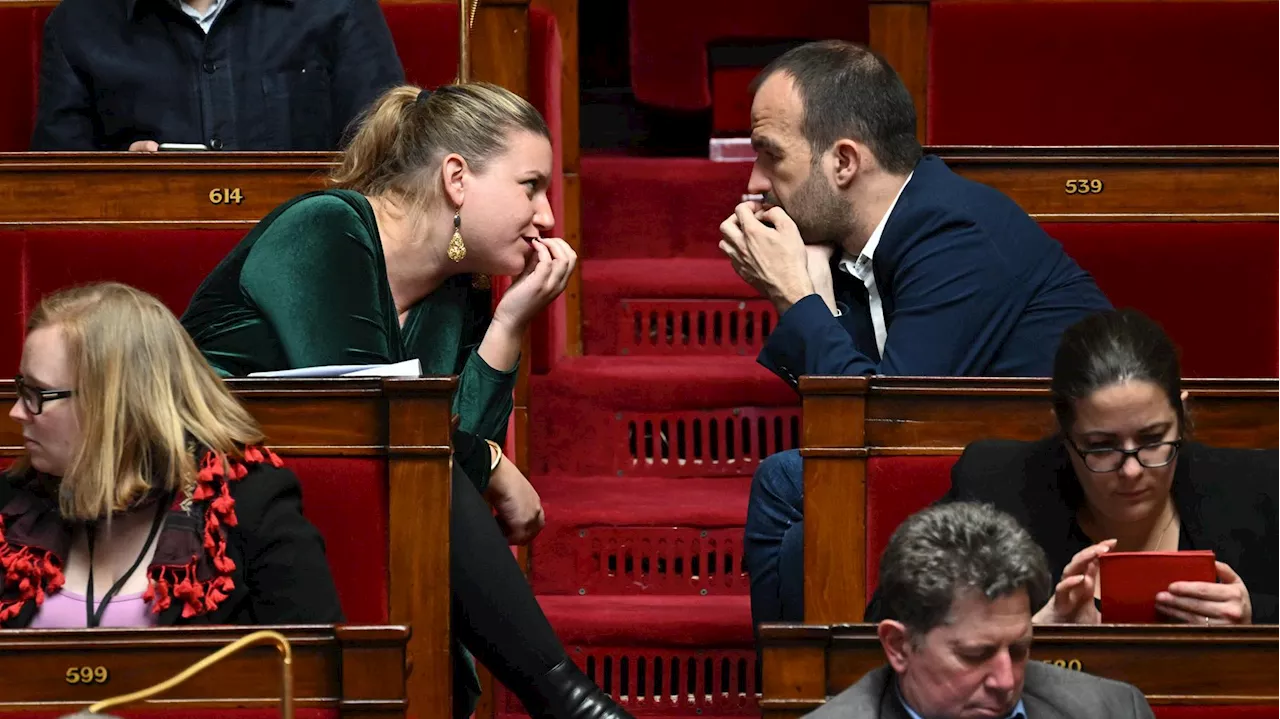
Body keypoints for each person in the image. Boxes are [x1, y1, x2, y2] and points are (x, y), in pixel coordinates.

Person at [181, 84, 627, 719]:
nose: (548, 216)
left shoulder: (453, 295)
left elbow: (441, 486)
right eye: (530, 186)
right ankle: (572, 704)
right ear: (456, 178)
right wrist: (496, 464)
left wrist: (506, 327)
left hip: (324, 517)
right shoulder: (326, 227)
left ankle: (570, 703)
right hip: (198, 500)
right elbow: (370, 427)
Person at [733, 40, 1111, 626]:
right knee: (789, 494)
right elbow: (858, 413)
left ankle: (806, 692)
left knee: (786, 484)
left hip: (1058, 485)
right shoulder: (862, 241)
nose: (755, 182)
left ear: (843, 162)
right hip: (963, 459)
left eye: (771, 156)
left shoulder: (953, 232)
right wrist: (821, 300)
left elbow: (886, 425)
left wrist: (796, 298)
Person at [867, 309, 1279, 626]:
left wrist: (1255, 622)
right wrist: (1029, 632)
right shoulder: (997, 486)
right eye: (1101, 447)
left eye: (1153, 441)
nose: (1132, 470)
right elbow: (887, 621)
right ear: (1067, 436)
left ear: (1182, 416)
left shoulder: (1255, 487)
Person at [3, 282, 342, 628]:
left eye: (38, 394)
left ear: (115, 405)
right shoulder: (12, 504)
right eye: (21, 390)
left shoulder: (243, 504)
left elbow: (311, 668)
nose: (17, 412)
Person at [810, 501, 1154, 719]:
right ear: (899, 646)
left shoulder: (1115, 710)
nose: (1006, 682)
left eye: (1019, 650)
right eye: (976, 654)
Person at [31, 0, 403, 151]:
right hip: (144, 266)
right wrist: (123, 182)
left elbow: (390, 160)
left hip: (313, 254)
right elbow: (57, 193)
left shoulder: (337, 8)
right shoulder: (78, 25)